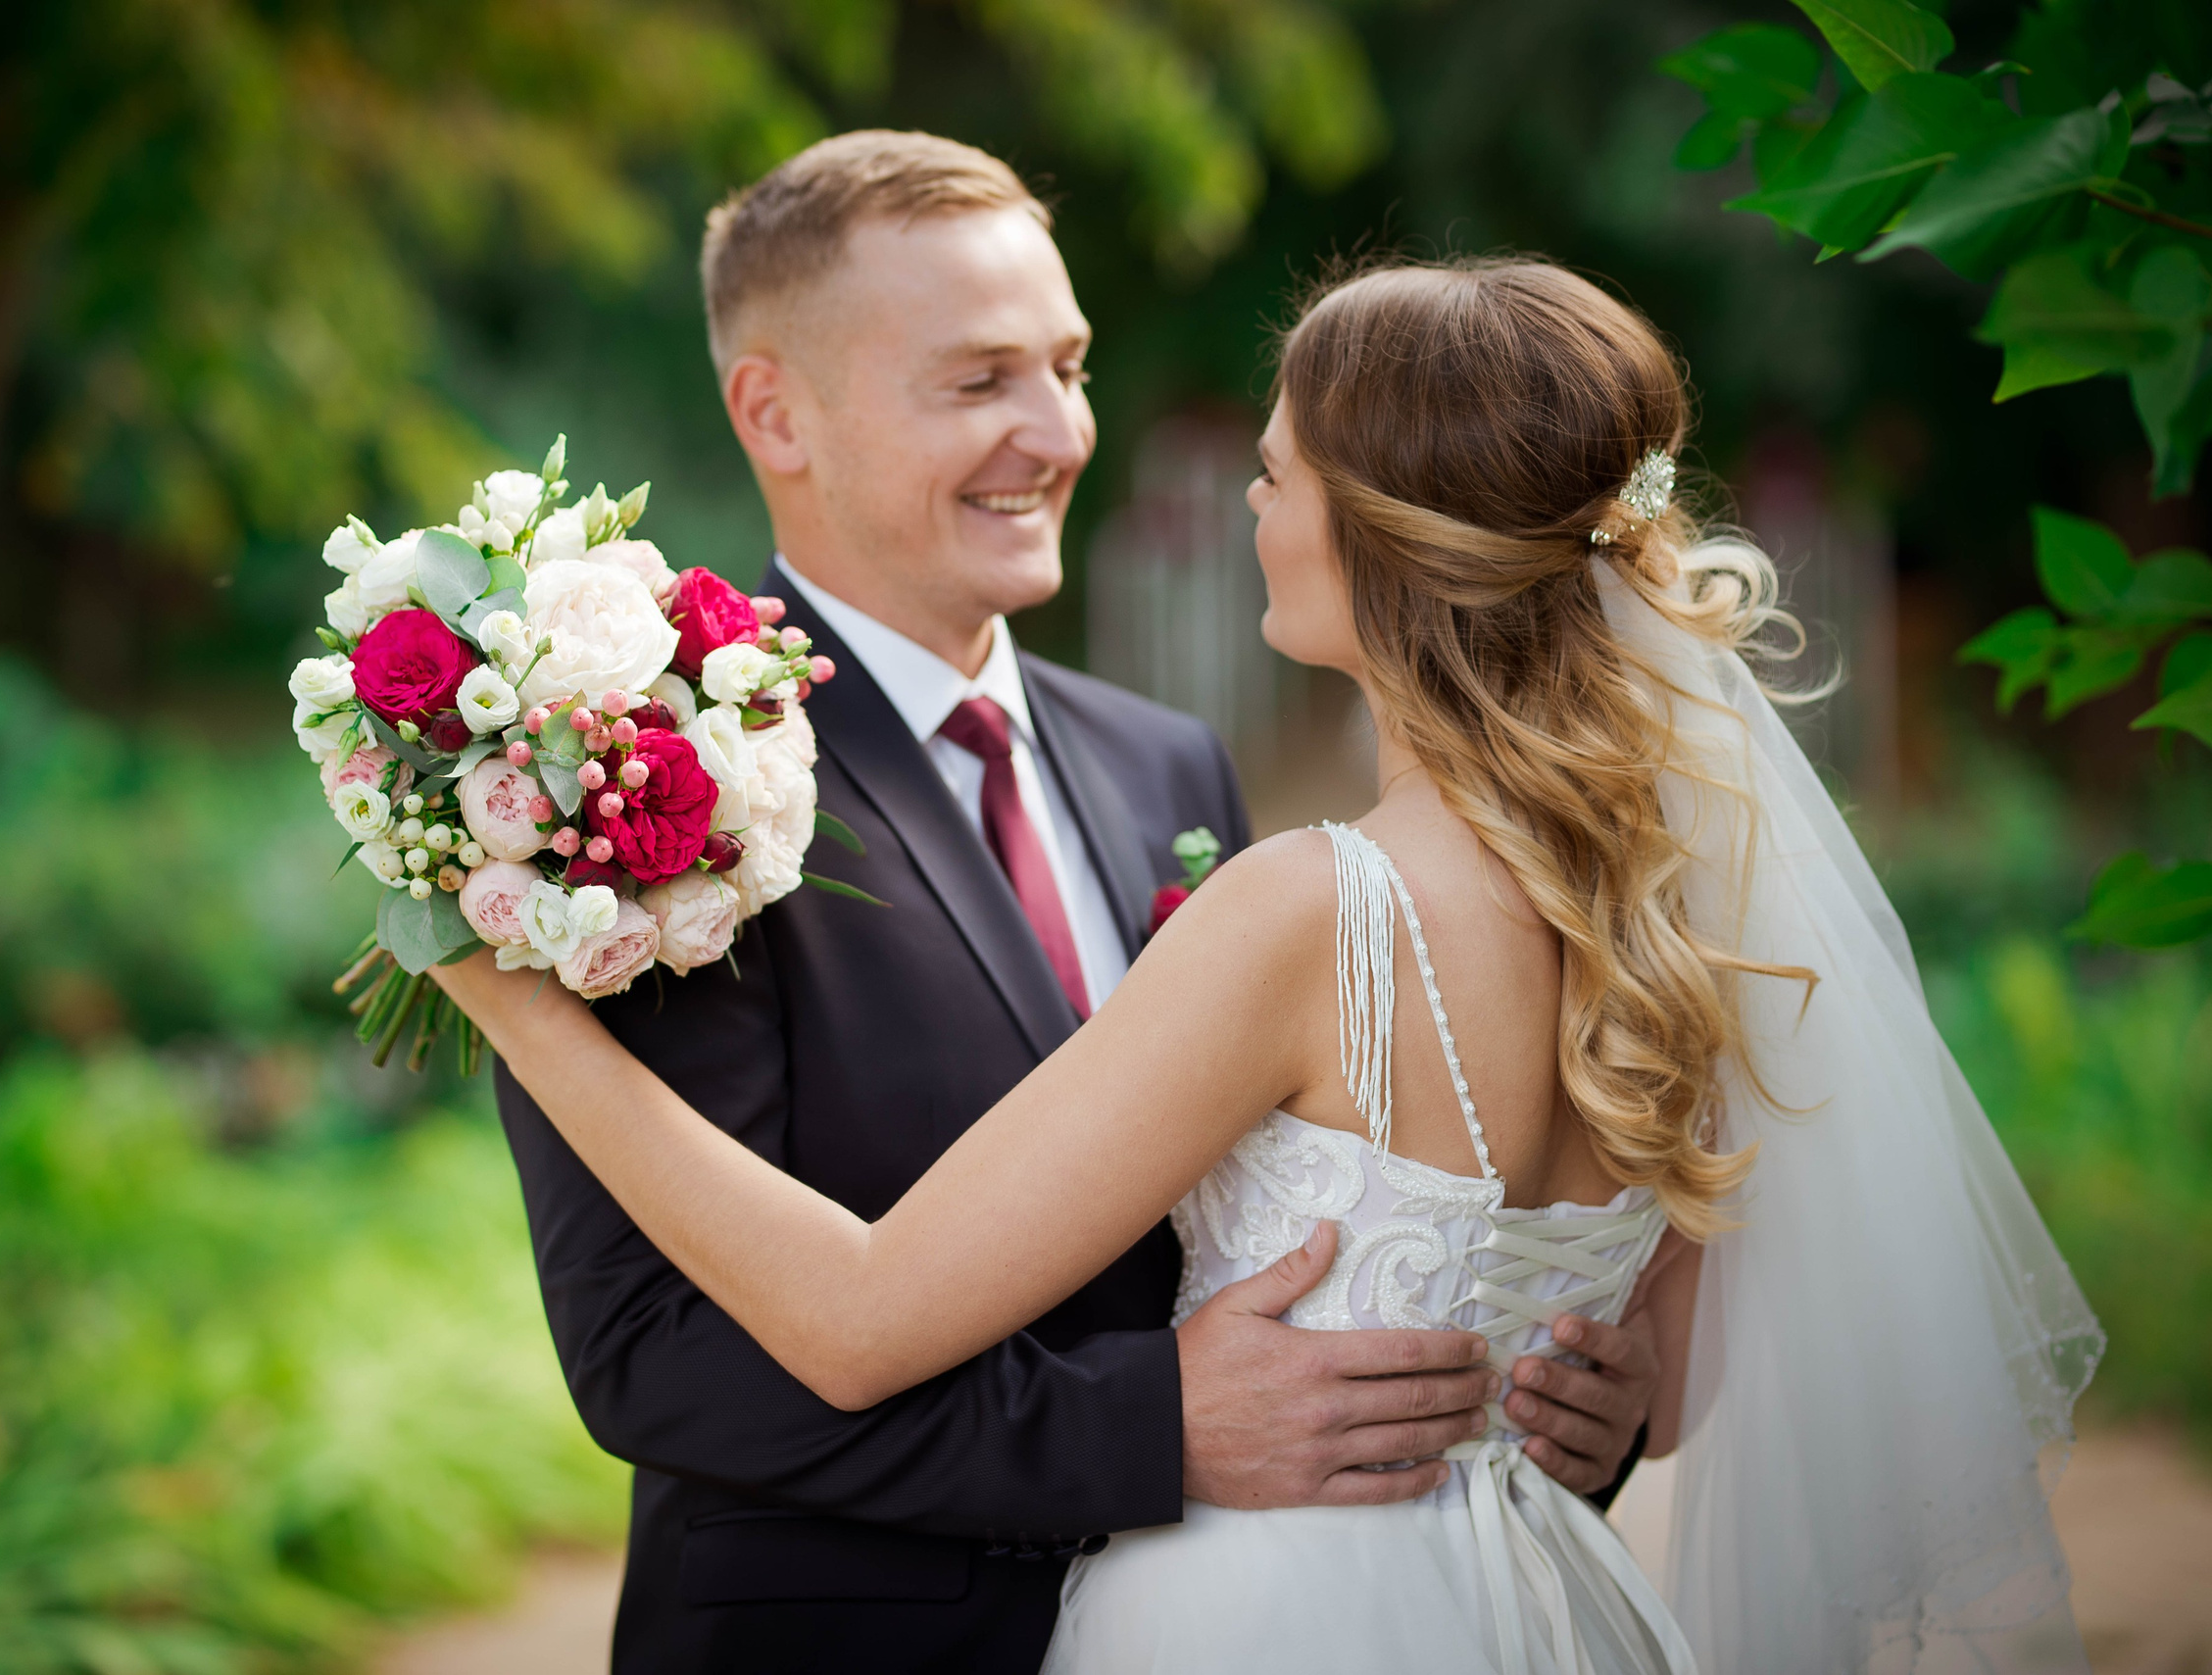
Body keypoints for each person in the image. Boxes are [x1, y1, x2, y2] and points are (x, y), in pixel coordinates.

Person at [448, 253, 2103, 1671]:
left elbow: (862, 1317)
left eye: (1280, 474)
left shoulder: (1315, 909)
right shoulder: (1674, 908)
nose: (1251, 503)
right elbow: (1661, 1390)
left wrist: (508, 996)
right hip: (1538, 1607)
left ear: (1383, 538)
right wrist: (1605, 1407)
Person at [490, 134, 1658, 1674]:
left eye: (1070, 364)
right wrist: (1143, 1428)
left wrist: (1563, 1397)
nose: (1057, 431)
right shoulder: (636, 794)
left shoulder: (1164, 764)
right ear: (775, 410)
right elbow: (655, 1353)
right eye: (980, 383)